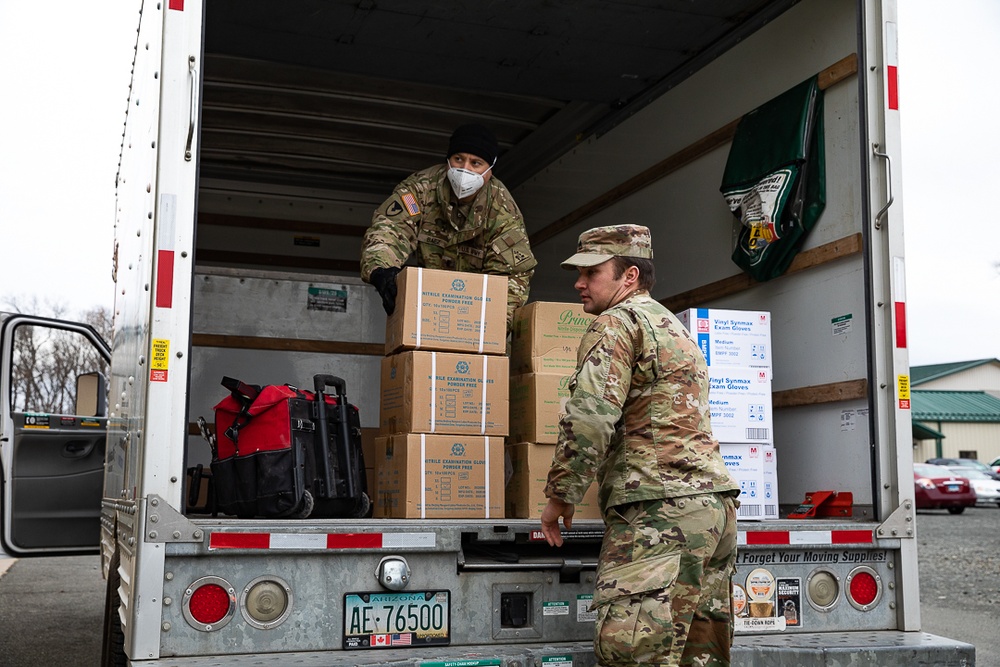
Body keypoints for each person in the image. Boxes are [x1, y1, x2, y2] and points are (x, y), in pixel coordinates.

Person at [540, 224, 740, 667]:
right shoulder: (673, 326)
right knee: (697, 657)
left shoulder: (617, 323)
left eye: (591, 273)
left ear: (629, 276)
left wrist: (561, 495)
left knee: (634, 654)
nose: (578, 282)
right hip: (714, 513)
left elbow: (590, 417)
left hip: (659, 516)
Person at [360, 123, 536, 326]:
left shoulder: (503, 211)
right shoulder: (420, 189)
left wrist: (493, 327)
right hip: (428, 310)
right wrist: (382, 269)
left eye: (476, 163)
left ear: (489, 170)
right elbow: (390, 228)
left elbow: (512, 275)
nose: (465, 169)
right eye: (458, 159)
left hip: (477, 313)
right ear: (448, 160)